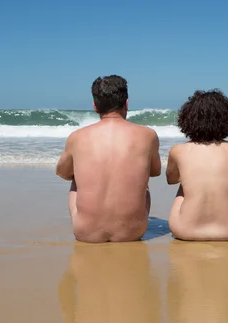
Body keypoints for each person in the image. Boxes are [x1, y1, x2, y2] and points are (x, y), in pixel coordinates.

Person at [56, 75, 161, 242]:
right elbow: (155, 172)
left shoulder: (77, 137)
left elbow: (62, 172)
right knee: (144, 186)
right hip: (133, 233)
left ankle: (90, 222)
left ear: (95, 106)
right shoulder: (148, 135)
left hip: (85, 234)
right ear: (126, 103)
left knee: (76, 179)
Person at [166, 89, 228, 241]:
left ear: (188, 119)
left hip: (185, 232)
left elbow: (171, 180)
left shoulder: (178, 150)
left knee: (184, 185)